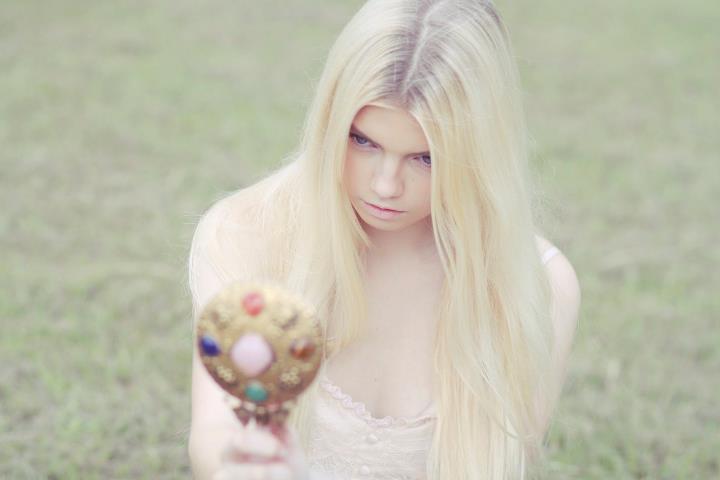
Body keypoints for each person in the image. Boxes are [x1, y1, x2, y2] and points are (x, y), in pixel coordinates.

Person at [187, 0, 580, 478]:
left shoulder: (537, 287)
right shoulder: (247, 234)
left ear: (480, 156)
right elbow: (214, 433)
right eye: (364, 141)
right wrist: (240, 462)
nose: (386, 185)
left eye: (426, 159)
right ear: (331, 122)